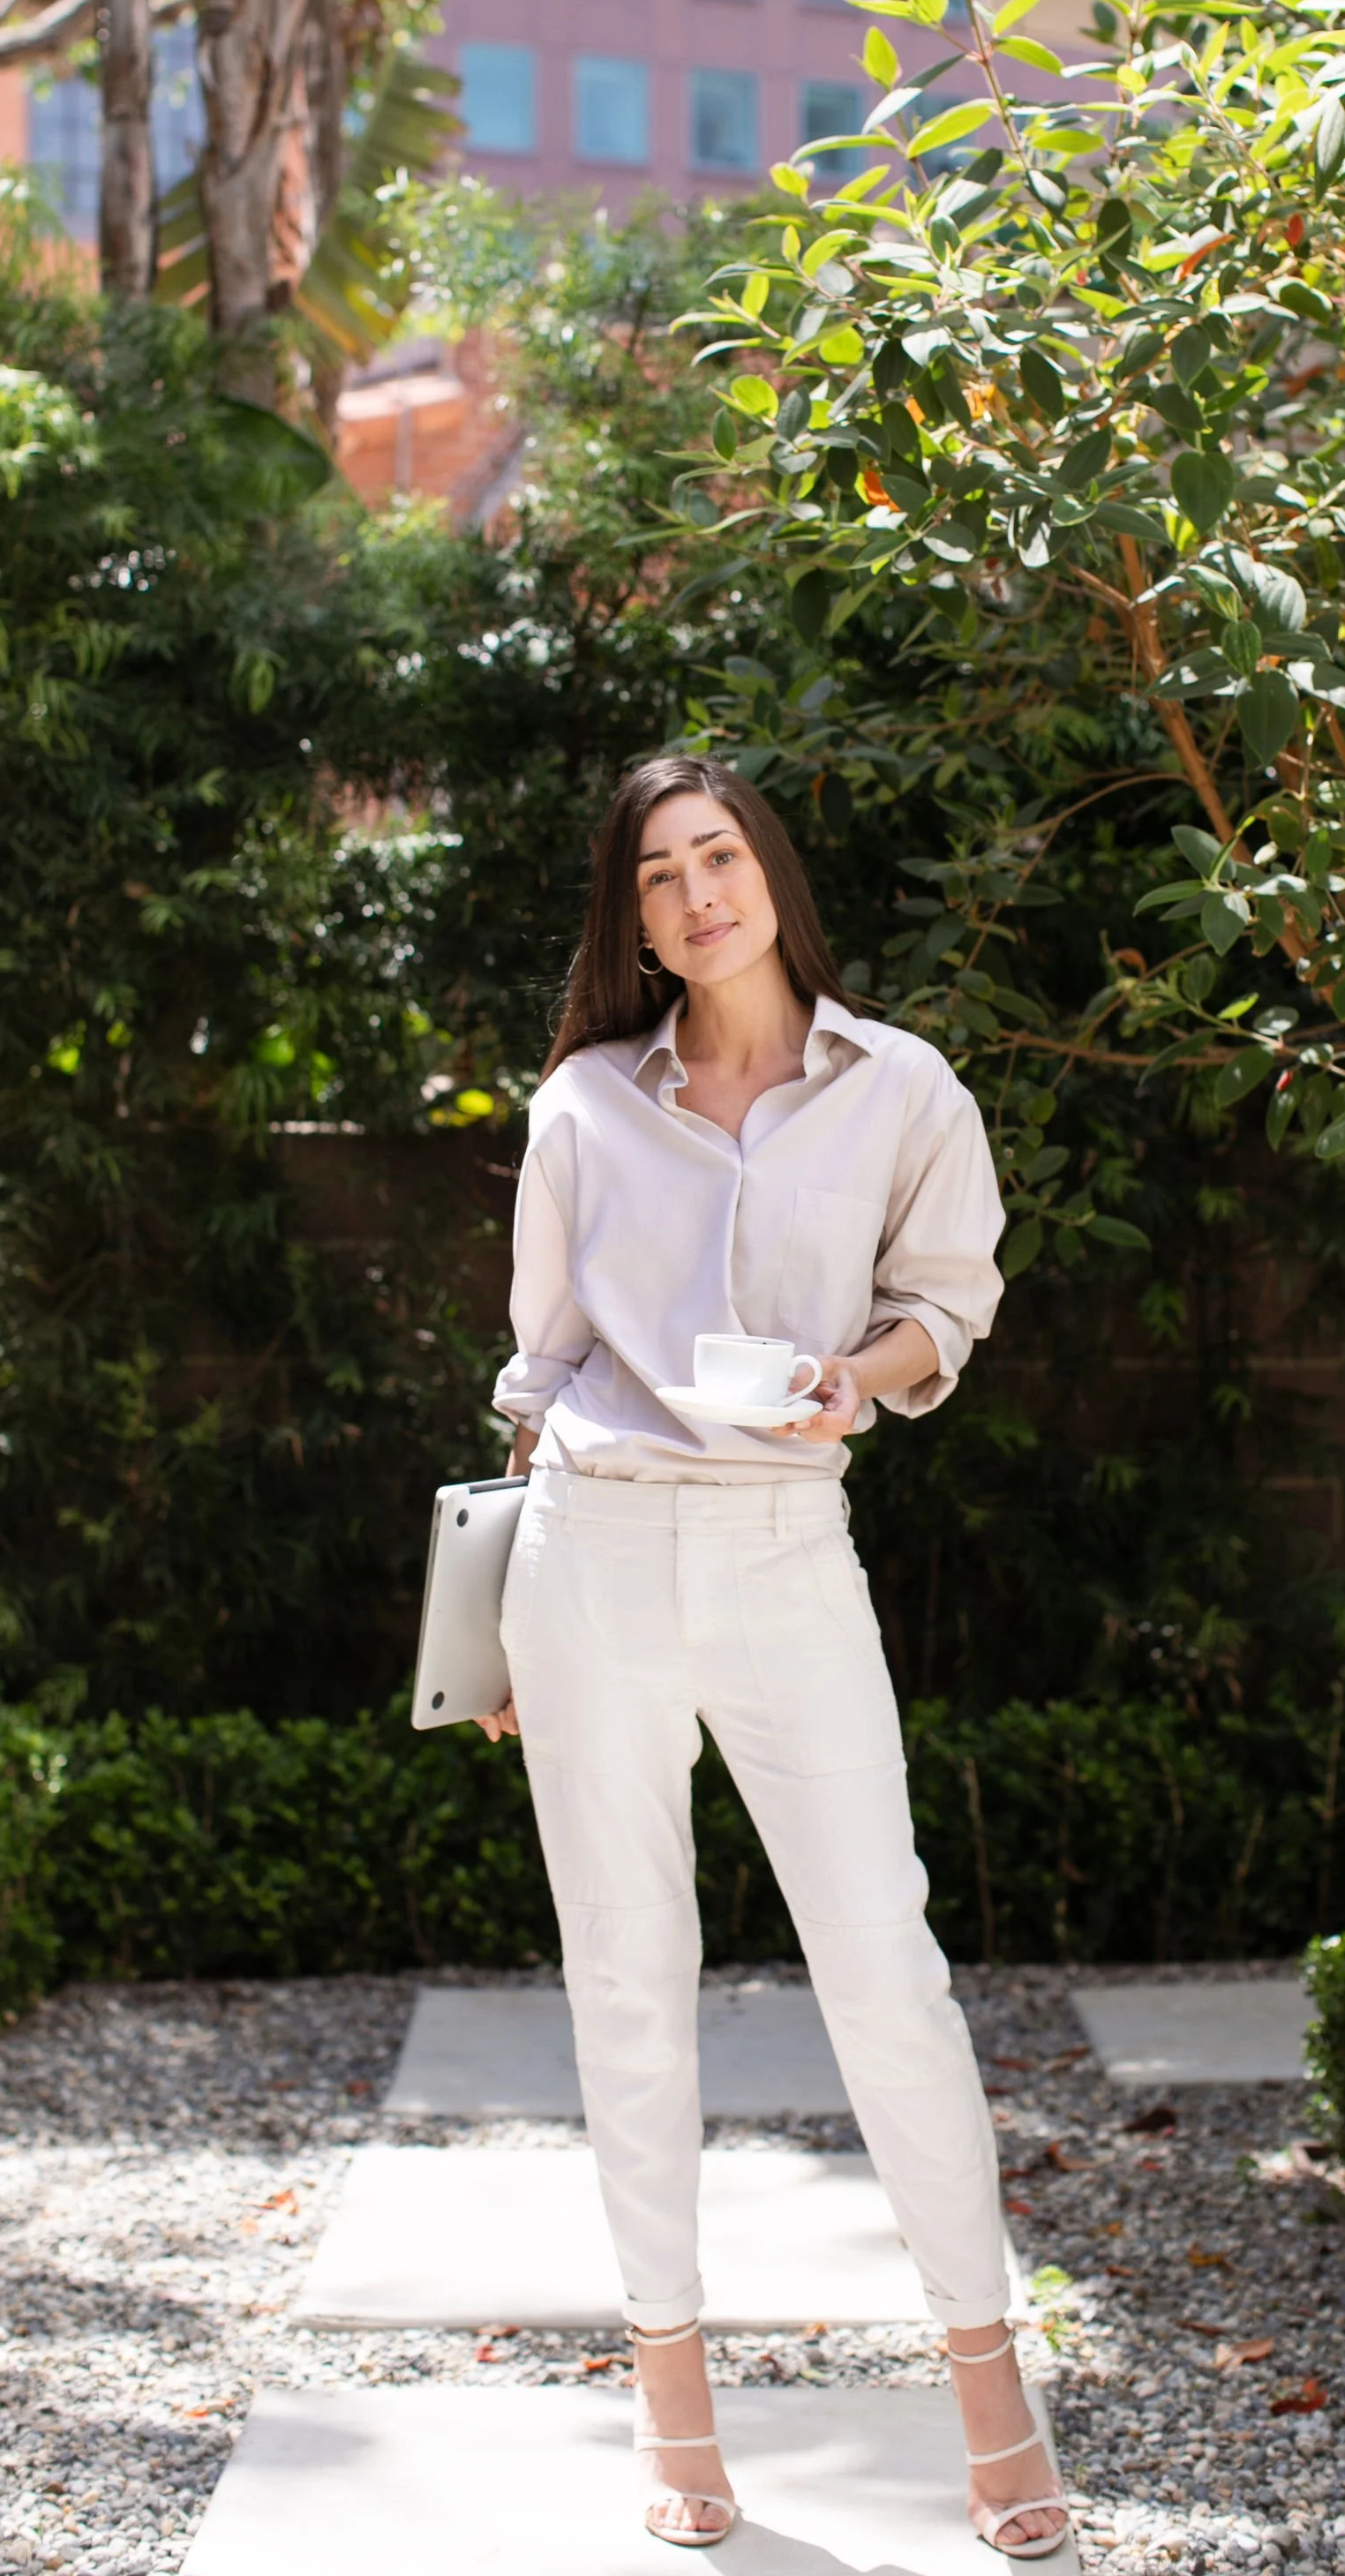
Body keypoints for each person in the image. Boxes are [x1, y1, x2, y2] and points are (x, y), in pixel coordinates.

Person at [479, 753, 1068, 2558]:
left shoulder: (902, 1089)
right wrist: (488, 1614)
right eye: (656, 874)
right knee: (630, 1983)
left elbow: (944, 1306)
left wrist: (853, 1382)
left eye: (716, 856)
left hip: (785, 1550)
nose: (693, 894)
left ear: (771, 876)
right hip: (590, 1556)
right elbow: (540, 1367)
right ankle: (675, 2411)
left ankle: (992, 2399)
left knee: (884, 1970)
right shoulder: (586, 1104)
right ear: (633, 916)